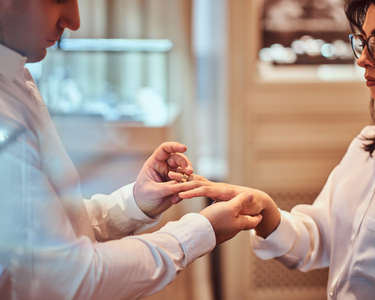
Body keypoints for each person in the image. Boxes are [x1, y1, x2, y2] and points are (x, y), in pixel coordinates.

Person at [174, 0, 375, 299]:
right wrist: (266, 211)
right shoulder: (369, 147)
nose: (364, 60)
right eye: (364, 42)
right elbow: (323, 238)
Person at [0, 0, 263, 299]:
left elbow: (43, 231)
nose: (74, 21)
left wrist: (134, 204)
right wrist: (201, 231)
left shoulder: (17, 79)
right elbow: (72, 280)